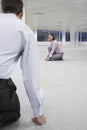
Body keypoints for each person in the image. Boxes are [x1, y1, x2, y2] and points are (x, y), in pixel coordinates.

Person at [0, 0, 46, 126]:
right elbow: (30, 76)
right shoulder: (25, 31)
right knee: (13, 111)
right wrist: (38, 113)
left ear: (2, 10)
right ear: (21, 14)